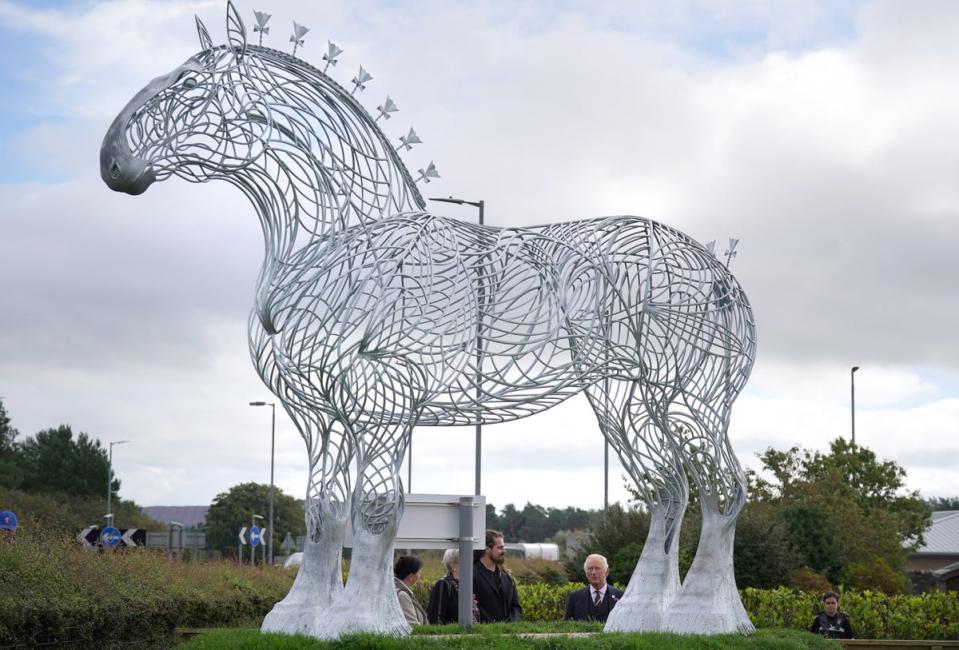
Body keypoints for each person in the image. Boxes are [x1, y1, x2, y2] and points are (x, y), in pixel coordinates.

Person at [472, 529, 522, 622]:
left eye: (503, 547)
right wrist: (493, 625)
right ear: (487, 549)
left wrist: (512, 623)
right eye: (500, 548)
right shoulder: (471, 575)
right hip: (484, 633)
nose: (504, 551)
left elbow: (516, 606)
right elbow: (473, 607)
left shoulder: (506, 576)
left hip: (509, 632)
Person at [564, 553, 624, 622]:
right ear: (586, 573)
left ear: (606, 572)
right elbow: (567, 625)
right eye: (590, 568)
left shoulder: (620, 596)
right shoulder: (574, 597)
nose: (593, 572)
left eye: (597, 568)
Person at [427, 548, 479, 624]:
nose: (471, 566)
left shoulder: (464, 584)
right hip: (450, 634)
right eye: (466, 562)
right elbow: (436, 617)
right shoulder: (443, 584)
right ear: (454, 566)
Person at [393, 555, 428, 626]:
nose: (420, 576)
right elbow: (413, 625)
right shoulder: (403, 595)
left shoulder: (399, 591)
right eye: (418, 573)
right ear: (411, 576)